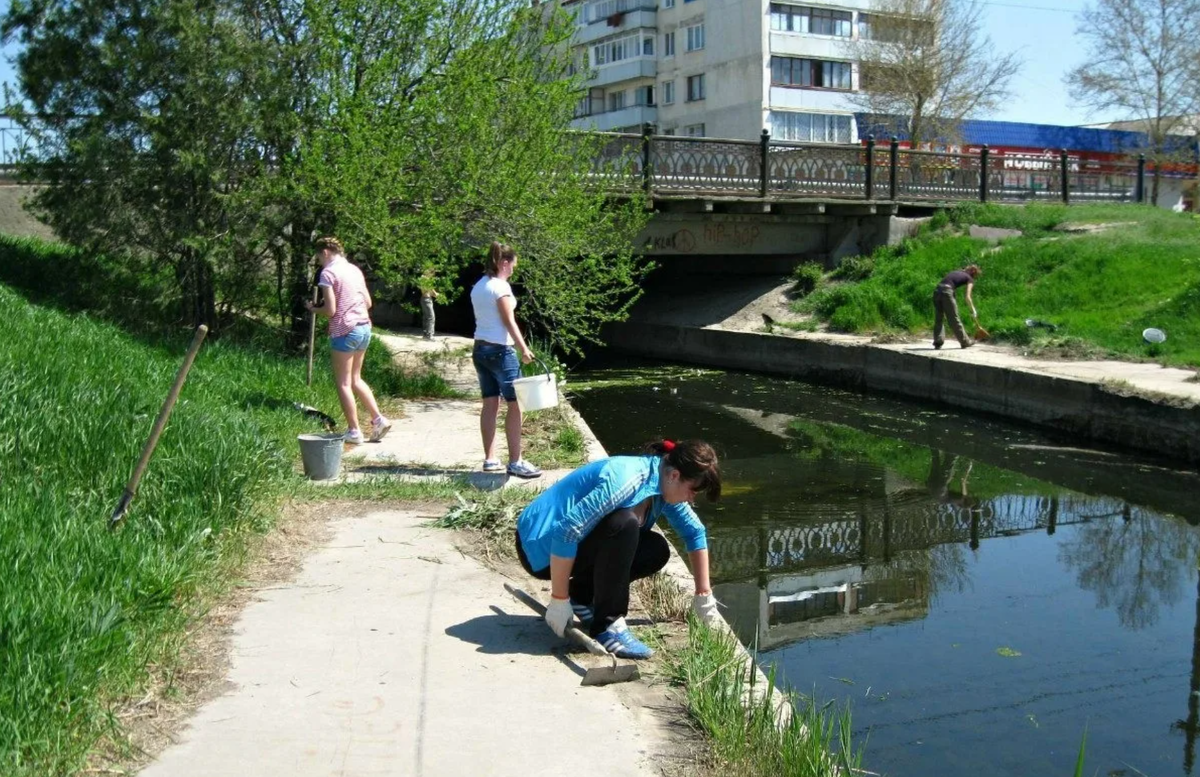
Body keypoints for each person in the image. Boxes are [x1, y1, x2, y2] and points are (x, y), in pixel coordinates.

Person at [515, 439, 724, 659]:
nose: (692, 499)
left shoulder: (662, 483)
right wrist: (558, 599)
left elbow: (694, 532)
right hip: (538, 547)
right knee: (624, 524)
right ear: (675, 476)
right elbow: (567, 531)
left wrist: (703, 595)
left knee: (656, 549)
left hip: (567, 547)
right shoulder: (631, 480)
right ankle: (608, 625)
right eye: (693, 490)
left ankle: (582, 595)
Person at [304, 236, 391, 445]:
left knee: (343, 383)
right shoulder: (354, 270)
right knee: (356, 379)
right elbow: (368, 302)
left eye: (318, 256)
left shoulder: (328, 273)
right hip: (363, 327)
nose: (319, 261)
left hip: (344, 330)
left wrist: (313, 308)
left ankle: (354, 431)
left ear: (325, 252)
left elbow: (330, 310)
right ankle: (378, 419)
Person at [471, 241, 540, 479]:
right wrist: (523, 349)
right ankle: (515, 461)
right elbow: (508, 321)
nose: (513, 270)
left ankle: (490, 459)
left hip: (479, 350)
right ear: (503, 263)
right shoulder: (500, 287)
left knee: (490, 403)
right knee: (516, 404)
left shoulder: (479, 286)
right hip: (501, 351)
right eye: (512, 265)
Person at [932, 264, 981, 350]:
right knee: (954, 318)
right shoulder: (970, 279)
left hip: (937, 291)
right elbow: (968, 297)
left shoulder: (956, 272)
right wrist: (973, 310)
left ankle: (938, 342)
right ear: (973, 272)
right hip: (947, 291)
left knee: (939, 318)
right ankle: (965, 342)